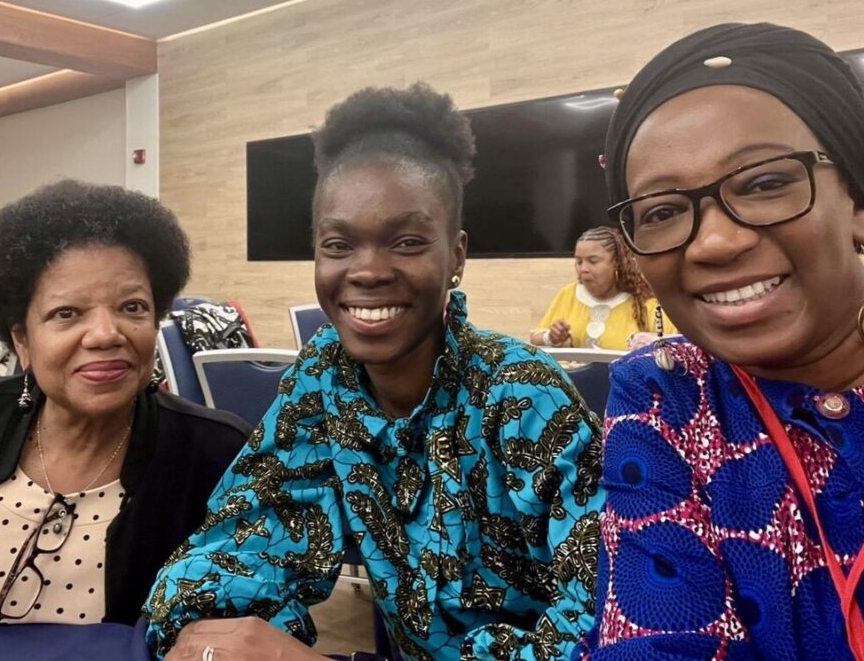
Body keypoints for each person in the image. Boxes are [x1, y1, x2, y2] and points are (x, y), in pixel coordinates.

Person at [144, 83, 604, 661]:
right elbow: (242, 539)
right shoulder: (324, 382)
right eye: (339, 244)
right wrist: (216, 629)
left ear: (456, 254)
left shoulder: (522, 395)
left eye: (407, 242)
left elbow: (605, 619)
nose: (367, 270)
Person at [573, 23, 864, 660]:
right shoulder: (667, 393)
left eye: (765, 183)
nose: (714, 242)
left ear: (856, 201)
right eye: (661, 212)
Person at [0, 180, 249, 627]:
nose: (107, 334)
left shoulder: (216, 456)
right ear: (22, 340)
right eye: (67, 313)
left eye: (132, 307)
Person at [530, 227, 675, 351]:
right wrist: (551, 337)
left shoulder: (646, 301)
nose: (583, 269)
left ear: (617, 263)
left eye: (593, 261)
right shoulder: (568, 294)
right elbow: (535, 338)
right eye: (579, 261)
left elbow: (674, 346)